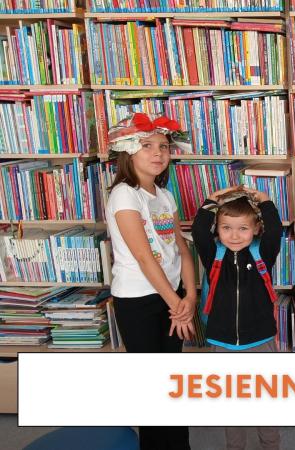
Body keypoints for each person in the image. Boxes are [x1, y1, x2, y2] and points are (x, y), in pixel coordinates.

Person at [105, 113, 196, 450]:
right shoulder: (124, 195)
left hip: (172, 297)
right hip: (139, 301)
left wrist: (190, 297)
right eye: (147, 146)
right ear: (128, 152)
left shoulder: (164, 195)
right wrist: (178, 305)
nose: (158, 153)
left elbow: (182, 250)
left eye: (164, 146)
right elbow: (144, 257)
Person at [191, 185, 283, 450]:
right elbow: (199, 231)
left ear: (255, 229)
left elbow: (275, 230)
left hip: (260, 339)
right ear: (217, 230)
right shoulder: (214, 255)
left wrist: (265, 201)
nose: (234, 235)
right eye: (226, 228)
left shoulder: (262, 252)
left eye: (243, 228)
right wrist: (212, 200)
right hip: (223, 341)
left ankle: (270, 445)